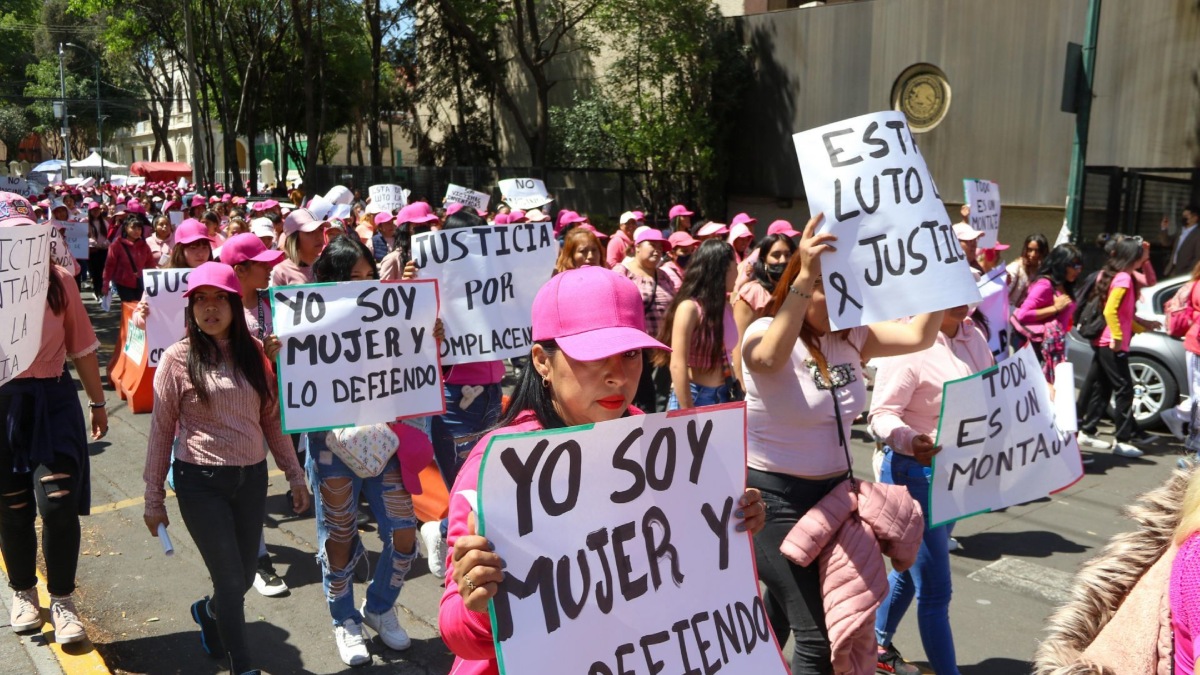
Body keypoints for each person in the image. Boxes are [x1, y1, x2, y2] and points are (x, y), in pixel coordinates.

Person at [437, 265, 765, 675]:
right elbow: (456, 632)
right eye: (593, 354)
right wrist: (478, 602)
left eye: (631, 354)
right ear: (542, 361)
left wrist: (732, 519)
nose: (618, 375)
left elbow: (682, 556)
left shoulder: (657, 442)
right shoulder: (500, 469)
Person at [740, 213, 942, 674]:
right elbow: (768, 359)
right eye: (829, 287)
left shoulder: (853, 337)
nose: (846, 299)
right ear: (803, 288)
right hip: (773, 501)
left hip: (833, 501)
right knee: (820, 634)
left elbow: (918, 334)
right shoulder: (762, 331)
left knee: (779, 612)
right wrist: (806, 271)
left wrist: (939, 274)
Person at [142, 262, 310, 675]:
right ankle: (244, 666)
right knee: (233, 582)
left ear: (236, 305)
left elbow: (271, 418)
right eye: (200, 299)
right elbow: (161, 432)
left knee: (246, 575)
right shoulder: (178, 360)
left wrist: (294, 474)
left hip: (251, 479)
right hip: (200, 483)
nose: (209, 308)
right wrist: (153, 499)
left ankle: (209, 612)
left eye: (219, 298)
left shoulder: (255, 352)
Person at [306, 236, 433, 665]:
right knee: (340, 535)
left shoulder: (391, 314)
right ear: (327, 281)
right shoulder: (305, 323)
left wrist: (428, 335)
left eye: (367, 276)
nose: (362, 288)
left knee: (403, 536)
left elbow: (418, 370)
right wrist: (276, 356)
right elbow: (283, 388)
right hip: (330, 445)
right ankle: (344, 618)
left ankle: (378, 607)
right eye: (350, 279)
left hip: (383, 441)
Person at [0, 192, 107, 645]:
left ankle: (62, 599)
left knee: (58, 506)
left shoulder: (60, 281)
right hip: (4, 404)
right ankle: (23, 592)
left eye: (29, 237)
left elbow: (83, 348)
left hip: (54, 400)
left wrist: (99, 403)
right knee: (12, 506)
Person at [869, 304, 993, 675]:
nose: (961, 294)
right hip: (915, 473)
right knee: (936, 590)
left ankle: (874, 642)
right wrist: (911, 440)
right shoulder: (909, 342)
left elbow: (990, 393)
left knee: (910, 570)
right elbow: (880, 414)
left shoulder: (975, 336)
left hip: (957, 474)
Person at [1078, 237, 1162, 457]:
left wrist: (1143, 327)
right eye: (1140, 254)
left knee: (1102, 387)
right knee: (1124, 388)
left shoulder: (1122, 276)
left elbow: (1123, 314)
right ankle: (1122, 440)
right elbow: (1110, 311)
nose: (1143, 256)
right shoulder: (1124, 278)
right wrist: (1116, 336)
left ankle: (1087, 430)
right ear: (1132, 256)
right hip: (1112, 343)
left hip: (1109, 341)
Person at [656, 239, 738, 409]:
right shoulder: (690, 308)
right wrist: (687, 411)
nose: (738, 272)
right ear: (721, 269)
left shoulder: (726, 306)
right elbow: (677, 365)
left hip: (724, 394)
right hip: (695, 397)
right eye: (734, 266)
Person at [612, 229, 677, 412]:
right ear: (637, 247)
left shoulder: (663, 275)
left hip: (663, 347)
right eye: (653, 245)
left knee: (661, 396)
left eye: (660, 248)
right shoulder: (622, 272)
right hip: (636, 349)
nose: (657, 251)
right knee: (642, 398)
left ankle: (658, 432)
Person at [732, 232, 797, 378]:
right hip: (759, 374)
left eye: (788, 255)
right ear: (764, 260)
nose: (783, 260)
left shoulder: (798, 293)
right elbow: (738, 342)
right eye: (776, 255)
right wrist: (740, 380)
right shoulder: (752, 292)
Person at [1013, 244, 1082, 380]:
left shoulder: (1065, 285)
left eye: (1080, 266)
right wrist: (1055, 309)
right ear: (1060, 264)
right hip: (1037, 351)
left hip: (1054, 347)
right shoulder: (1044, 285)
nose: (1078, 270)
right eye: (1074, 266)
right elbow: (1023, 315)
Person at [102, 213, 159, 302]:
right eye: (133, 228)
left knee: (141, 309)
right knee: (129, 309)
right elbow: (109, 265)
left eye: (139, 228)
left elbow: (150, 265)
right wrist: (105, 284)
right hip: (123, 283)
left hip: (141, 283)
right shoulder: (117, 245)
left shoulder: (144, 246)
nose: (137, 231)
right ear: (126, 228)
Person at [271, 208, 327, 286]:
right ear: (294, 239)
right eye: (310, 232)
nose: (319, 237)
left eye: (321, 229)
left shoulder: (328, 266)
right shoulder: (280, 272)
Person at [1006, 234, 1049, 308]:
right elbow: (1004, 292)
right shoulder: (1016, 267)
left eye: (1037, 251)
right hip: (1007, 311)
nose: (1033, 254)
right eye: (1030, 250)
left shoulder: (1042, 271)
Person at [1163, 203, 1200, 277]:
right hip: (1171, 270)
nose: (1184, 219)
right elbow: (1166, 242)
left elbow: (1198, 257)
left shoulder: (1198, 234)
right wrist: (1164, 228)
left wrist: (1188, 272)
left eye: (1186, 216)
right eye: (1183, 216)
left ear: (1195, 218)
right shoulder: (1181, 231)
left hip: (1184, 273)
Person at [85, 200, 111, 296]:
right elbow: (84, 237)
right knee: (95, 272)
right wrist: (93, 243)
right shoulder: (86, 222)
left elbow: (109, 236)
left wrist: (105, 243)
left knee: (103, 271)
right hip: (92, 251)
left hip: (103, 250)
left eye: (97, 210)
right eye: (93, 210)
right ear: (90, 211)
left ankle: (103, 291)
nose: (95, 212)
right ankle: (97, 291)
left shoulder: (104, 222)